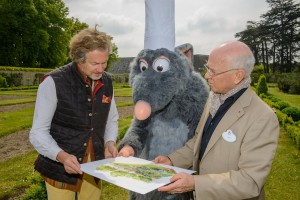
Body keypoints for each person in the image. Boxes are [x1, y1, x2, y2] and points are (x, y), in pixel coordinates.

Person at [154, 41, 280, 200]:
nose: (206, 76)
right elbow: (198, 142)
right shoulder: (214, 99)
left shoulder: (262, 117)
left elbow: (250, 182)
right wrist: (172, 160)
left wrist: (195, 184)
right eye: (207, 68)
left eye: (213, 71)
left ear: (237, 76)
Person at [29, 28, 119, 200]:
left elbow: (111, 119)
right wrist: (61, 156)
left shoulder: (107, 81)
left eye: (104, 62)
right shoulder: (53, 82)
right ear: (79, 59)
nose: (101, 69)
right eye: (95, 64)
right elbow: (38, 133)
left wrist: (109, 142)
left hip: (95, 165)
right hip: (60, 168)